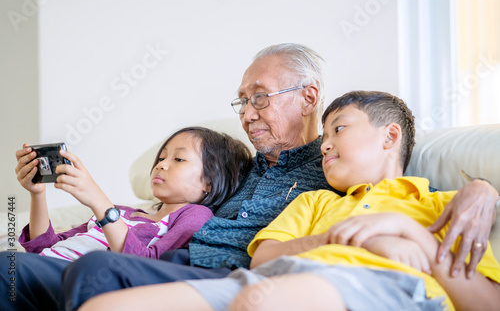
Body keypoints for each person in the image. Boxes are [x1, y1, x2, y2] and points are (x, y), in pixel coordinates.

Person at [4, 44, 498, 310]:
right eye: (241, 102)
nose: (247, 113)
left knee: (97, 273)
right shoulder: (237, 165)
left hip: (231, 275)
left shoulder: (333, 172)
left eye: (260, 97)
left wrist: (481, 186)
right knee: (10, 270)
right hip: (173, 258)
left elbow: (397, 187)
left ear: (309, 98)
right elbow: (171, 205)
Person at [80, 91, 500, 311]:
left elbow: (486, 303)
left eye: (339, 129)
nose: (325, 145)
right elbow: (264, 258)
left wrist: (409, 232)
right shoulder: (316, 201)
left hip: (386, 290)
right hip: (269, 280)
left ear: (389, 136)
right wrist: (352, 239)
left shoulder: (442, 204)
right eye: (323, 136)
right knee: (105, 305)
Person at [0, 126, 252, 310]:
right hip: (49, 272)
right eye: (162, 157)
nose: (162, 164)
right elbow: (45, 249)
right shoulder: (122, 211)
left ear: (210, 181)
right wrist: (37, 194)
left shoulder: (195, 215)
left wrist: (100, 203)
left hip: (81, 280)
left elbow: (145, 267)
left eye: (178, 159)